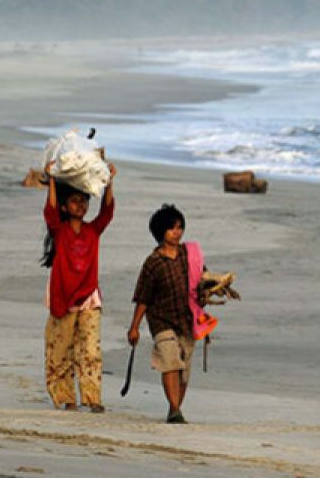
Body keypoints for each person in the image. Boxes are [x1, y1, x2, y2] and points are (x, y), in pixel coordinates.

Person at [127, 203, 216, 424]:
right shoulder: (153, 263)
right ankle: (176, 410)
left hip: (187, 319)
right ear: (161, 232)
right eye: (172, 228)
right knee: (170, 362)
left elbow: (202, 280)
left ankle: (173, 409)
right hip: (161, 321)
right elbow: (143, 297)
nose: (177, 232)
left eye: (179, 227)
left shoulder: (190, 254)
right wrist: (134, 326)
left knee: (183, 370)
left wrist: (209, 291)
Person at [42, 159, 116, 412]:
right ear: (65, 205)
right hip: (63, 296)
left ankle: (92, 397)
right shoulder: (59, 230)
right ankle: (66, 398)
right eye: (74, 201)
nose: (80, 206)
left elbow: (107, 213)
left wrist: (109, 183)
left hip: (89, 298)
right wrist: (52, 179)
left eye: (84, 201)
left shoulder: (92, 231)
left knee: (90, 350)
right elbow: (50, 211)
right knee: (61, 351)